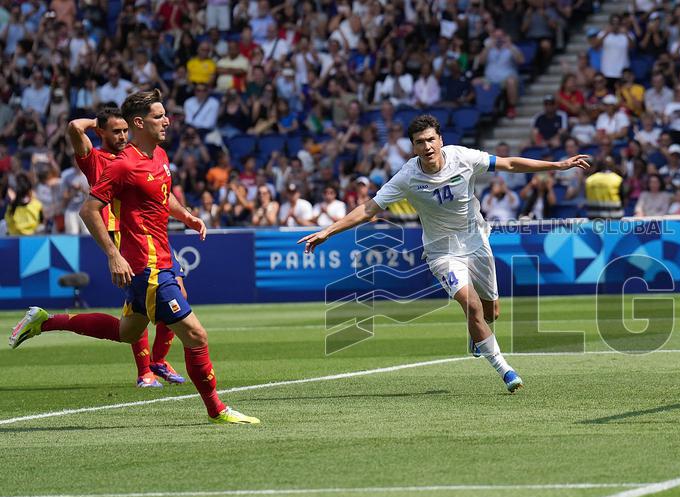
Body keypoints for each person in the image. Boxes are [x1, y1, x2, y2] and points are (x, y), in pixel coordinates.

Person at [10, 89, 258, 425]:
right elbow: (89, 209)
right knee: (196, 335)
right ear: (139, 122)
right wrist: (113, 254)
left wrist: (187, 216)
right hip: (147, 266)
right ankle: (217, 409)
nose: (167, 120)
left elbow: (163, 197)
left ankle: (45, 321)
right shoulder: (123, 165)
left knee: (128, 332)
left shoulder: (160, 157)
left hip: (161, 260)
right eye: (159, 116)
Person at [298, 115, 590, 393]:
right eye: (419, 142)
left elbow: (510, 164)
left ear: (440, 140)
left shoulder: (463, 157)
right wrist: (328, 231)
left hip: (476, 242)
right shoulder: (407, 177)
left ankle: (477, 336)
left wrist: (558, 164)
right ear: (413, 147)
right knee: (471, 306)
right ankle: (505, 370)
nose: (426, 147)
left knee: (491, 313)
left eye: (429, 140)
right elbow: (369, 209)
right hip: (442, 252)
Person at [66, 107, 186, 389]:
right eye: (115, 131)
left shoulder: (136, 155)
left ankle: (157, 361)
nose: (121, 136)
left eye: (124, 130)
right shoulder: (94, 159)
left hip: (147, 230)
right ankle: (145, 371)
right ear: (101, 133)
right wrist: (97, 121)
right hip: (120, 233)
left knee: (176, 289)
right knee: (140, 305)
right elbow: (73, 127)